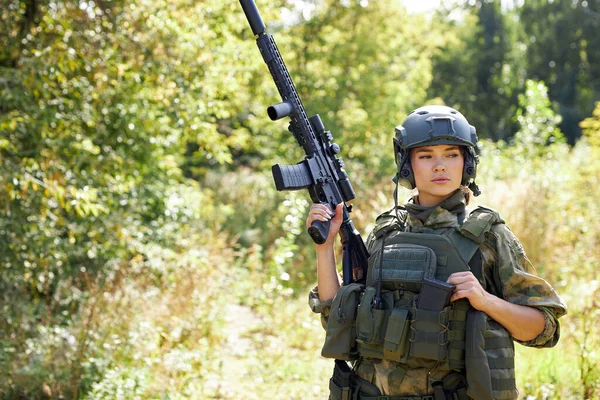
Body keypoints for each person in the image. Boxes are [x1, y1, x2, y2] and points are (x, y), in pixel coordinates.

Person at [307, 105, 567, 400]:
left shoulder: (488, 235)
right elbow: (336, 320)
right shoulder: (386, 232)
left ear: (467, 164)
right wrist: (324, 248)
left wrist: (486, 301)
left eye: (451, 155)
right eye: (426, 156)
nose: (440, 166)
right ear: (407, 166)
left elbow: (545, 328)